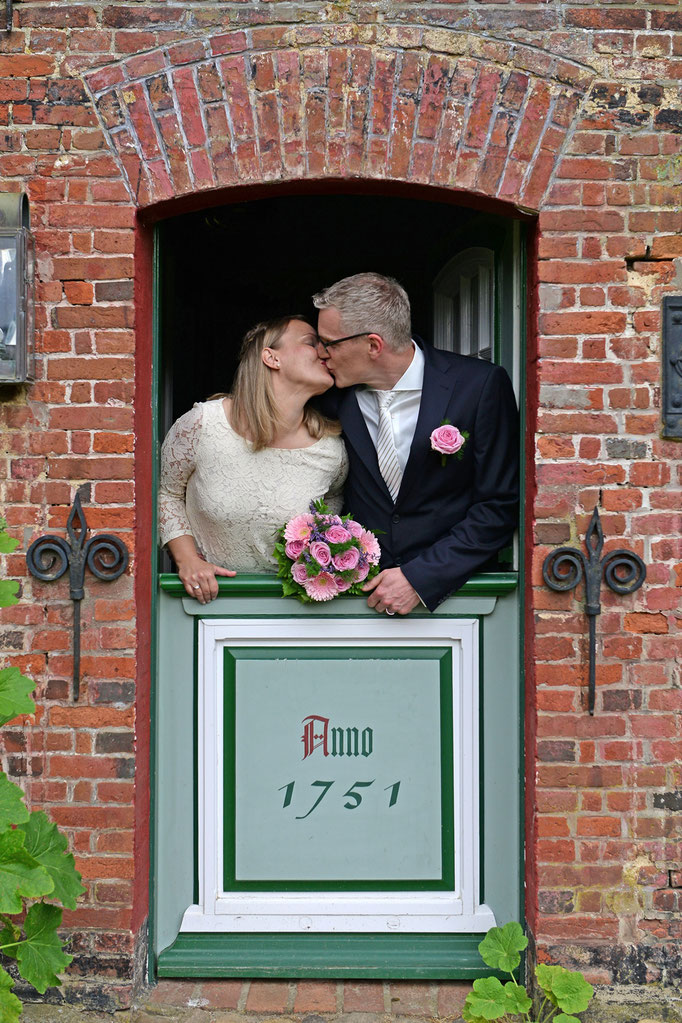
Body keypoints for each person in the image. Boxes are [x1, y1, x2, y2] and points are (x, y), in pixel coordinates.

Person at [313, 273, 519, 615]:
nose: (322, 354)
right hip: (350, 602)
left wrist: (421, 577)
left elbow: (499, 504)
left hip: (457, 602)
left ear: (373, 346)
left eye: (329, 343)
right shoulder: (328, 399)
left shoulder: (478, 387)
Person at [159, 316, 347, 604]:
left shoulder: (331, 450)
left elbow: (332, 504)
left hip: (296, 609)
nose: (325, 351)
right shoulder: (202, 425)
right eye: (312, 342)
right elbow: (166, 493)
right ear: (271, 358)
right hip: (206, 605)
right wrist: (187, 561)